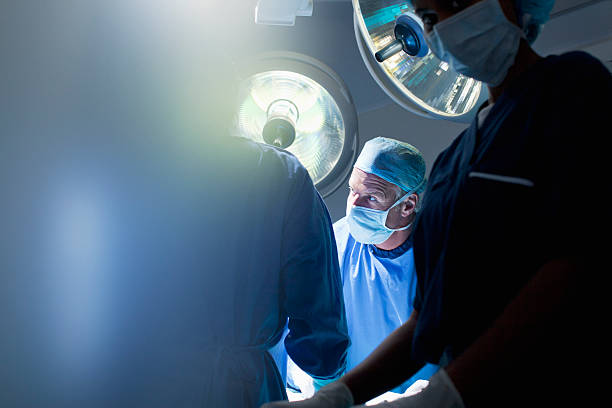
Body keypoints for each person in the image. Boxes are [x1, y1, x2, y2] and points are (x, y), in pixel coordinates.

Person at [261, 0, 612, 407]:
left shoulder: (570, 87)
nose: (438, 28)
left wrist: (447, 391)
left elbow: (580, 258)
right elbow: (427, 320)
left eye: (455, 3)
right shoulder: (454, 163)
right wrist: (339, 396)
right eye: (427, 17)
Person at [0, 2, 349, 408]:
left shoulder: (112, 172)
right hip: (235, 391)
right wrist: (328, 377)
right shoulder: (281, 177)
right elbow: (321, 335)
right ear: (232, 101)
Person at [335, 137, 438, 394]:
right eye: (352, 191)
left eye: (371, 198)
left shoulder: (435, 256)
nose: (354, 207)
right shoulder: (336, 241)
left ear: (408, 205)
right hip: (347, 393)